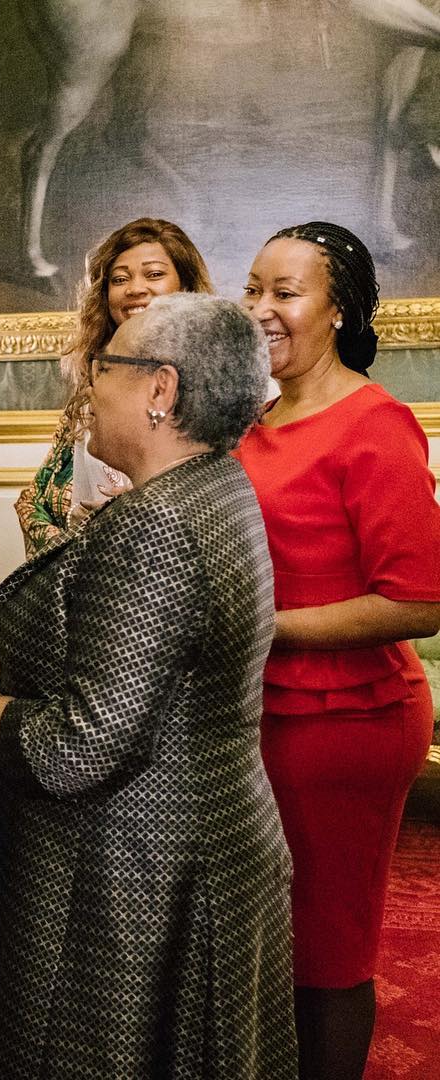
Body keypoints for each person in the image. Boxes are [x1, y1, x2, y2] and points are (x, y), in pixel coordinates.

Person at [0, 293, 297, 1078]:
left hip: (133, 876)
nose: (90, 387)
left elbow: (77, 750)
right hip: (209, 842)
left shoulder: (155, 524)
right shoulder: (218, 488)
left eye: (105, 368)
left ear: (161, 389)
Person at [236, 222, 440, 1080]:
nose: (261, 310)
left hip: (347, 719)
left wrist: (263, 625)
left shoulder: (375, 423)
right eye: (254, 290)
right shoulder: (260, 417)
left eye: (285, 292)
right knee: (274, 943)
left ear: (341, 310)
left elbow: (420, 600)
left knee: (328, 946)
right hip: (261, 712)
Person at [15, 218, 212, 557]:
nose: (135, 288)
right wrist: (74, 531)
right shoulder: (92, 389)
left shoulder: (217, 386)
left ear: (186, 287)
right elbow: (36, 502)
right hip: (97, 578)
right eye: (120, 279)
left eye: (153, 274)